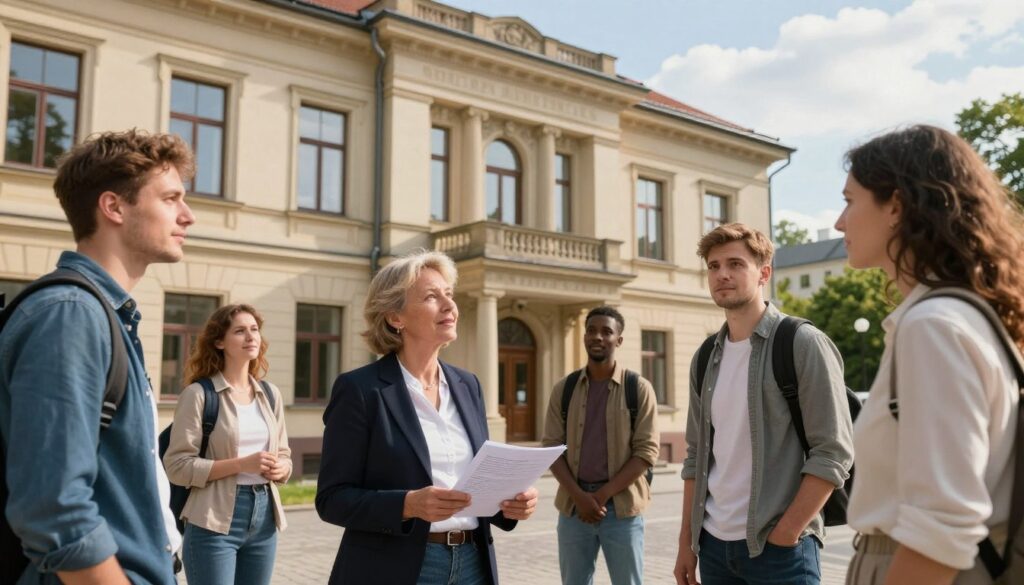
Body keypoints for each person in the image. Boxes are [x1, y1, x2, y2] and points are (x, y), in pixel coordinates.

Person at [0, 130, 194, 584]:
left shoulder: (105, 314)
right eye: (171, 199)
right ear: (114, 207)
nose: (188, 215)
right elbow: (53, 508)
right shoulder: (72, 315)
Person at [838, 125, 1023, 585]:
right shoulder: (969, 314)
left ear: (896, 206)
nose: (840, 222)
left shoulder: (933, 326)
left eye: (849, 200)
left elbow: (942, 524)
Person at [316, 249, 539, 585]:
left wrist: (510, 503)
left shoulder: (468, 385)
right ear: (395, 317)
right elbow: (332, 500)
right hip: (398, 568)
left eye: (449, 294)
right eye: (432, 297)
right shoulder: (360, 390)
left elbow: (475, 486)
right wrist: (407, 505)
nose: (450, 305)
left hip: (472, 564)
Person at [674, 223, 854, 585]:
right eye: (713, 266)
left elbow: (833, 451)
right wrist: (686, 542)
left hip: (779, 550)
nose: (722, 274)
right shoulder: (705, 356)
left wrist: (786, 533)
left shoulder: (802, 342)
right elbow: (696, 455)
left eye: (736, 264)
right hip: (713, 548)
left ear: (764, 273)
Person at [163, 303, 291, 585]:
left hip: (265, 519)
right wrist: (242, 465)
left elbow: (284, 454)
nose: (251, 337)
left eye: (255, 330)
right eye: (240, 331)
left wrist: (282, 468)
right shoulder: (198, 395)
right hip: (212, 520)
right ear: (219, 342)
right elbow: (176, 466)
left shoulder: (270, 394)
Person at [541, 305, 660, 585]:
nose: (597, 337)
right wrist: (580, 497)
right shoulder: (564, 389)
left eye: (606, 331)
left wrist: (601, 496)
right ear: (584, 337)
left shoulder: (638, 388)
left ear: (618, 340)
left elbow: (646, 452)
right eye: (591, 330)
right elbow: (551, 447)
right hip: (573, 509)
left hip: (622, 510)